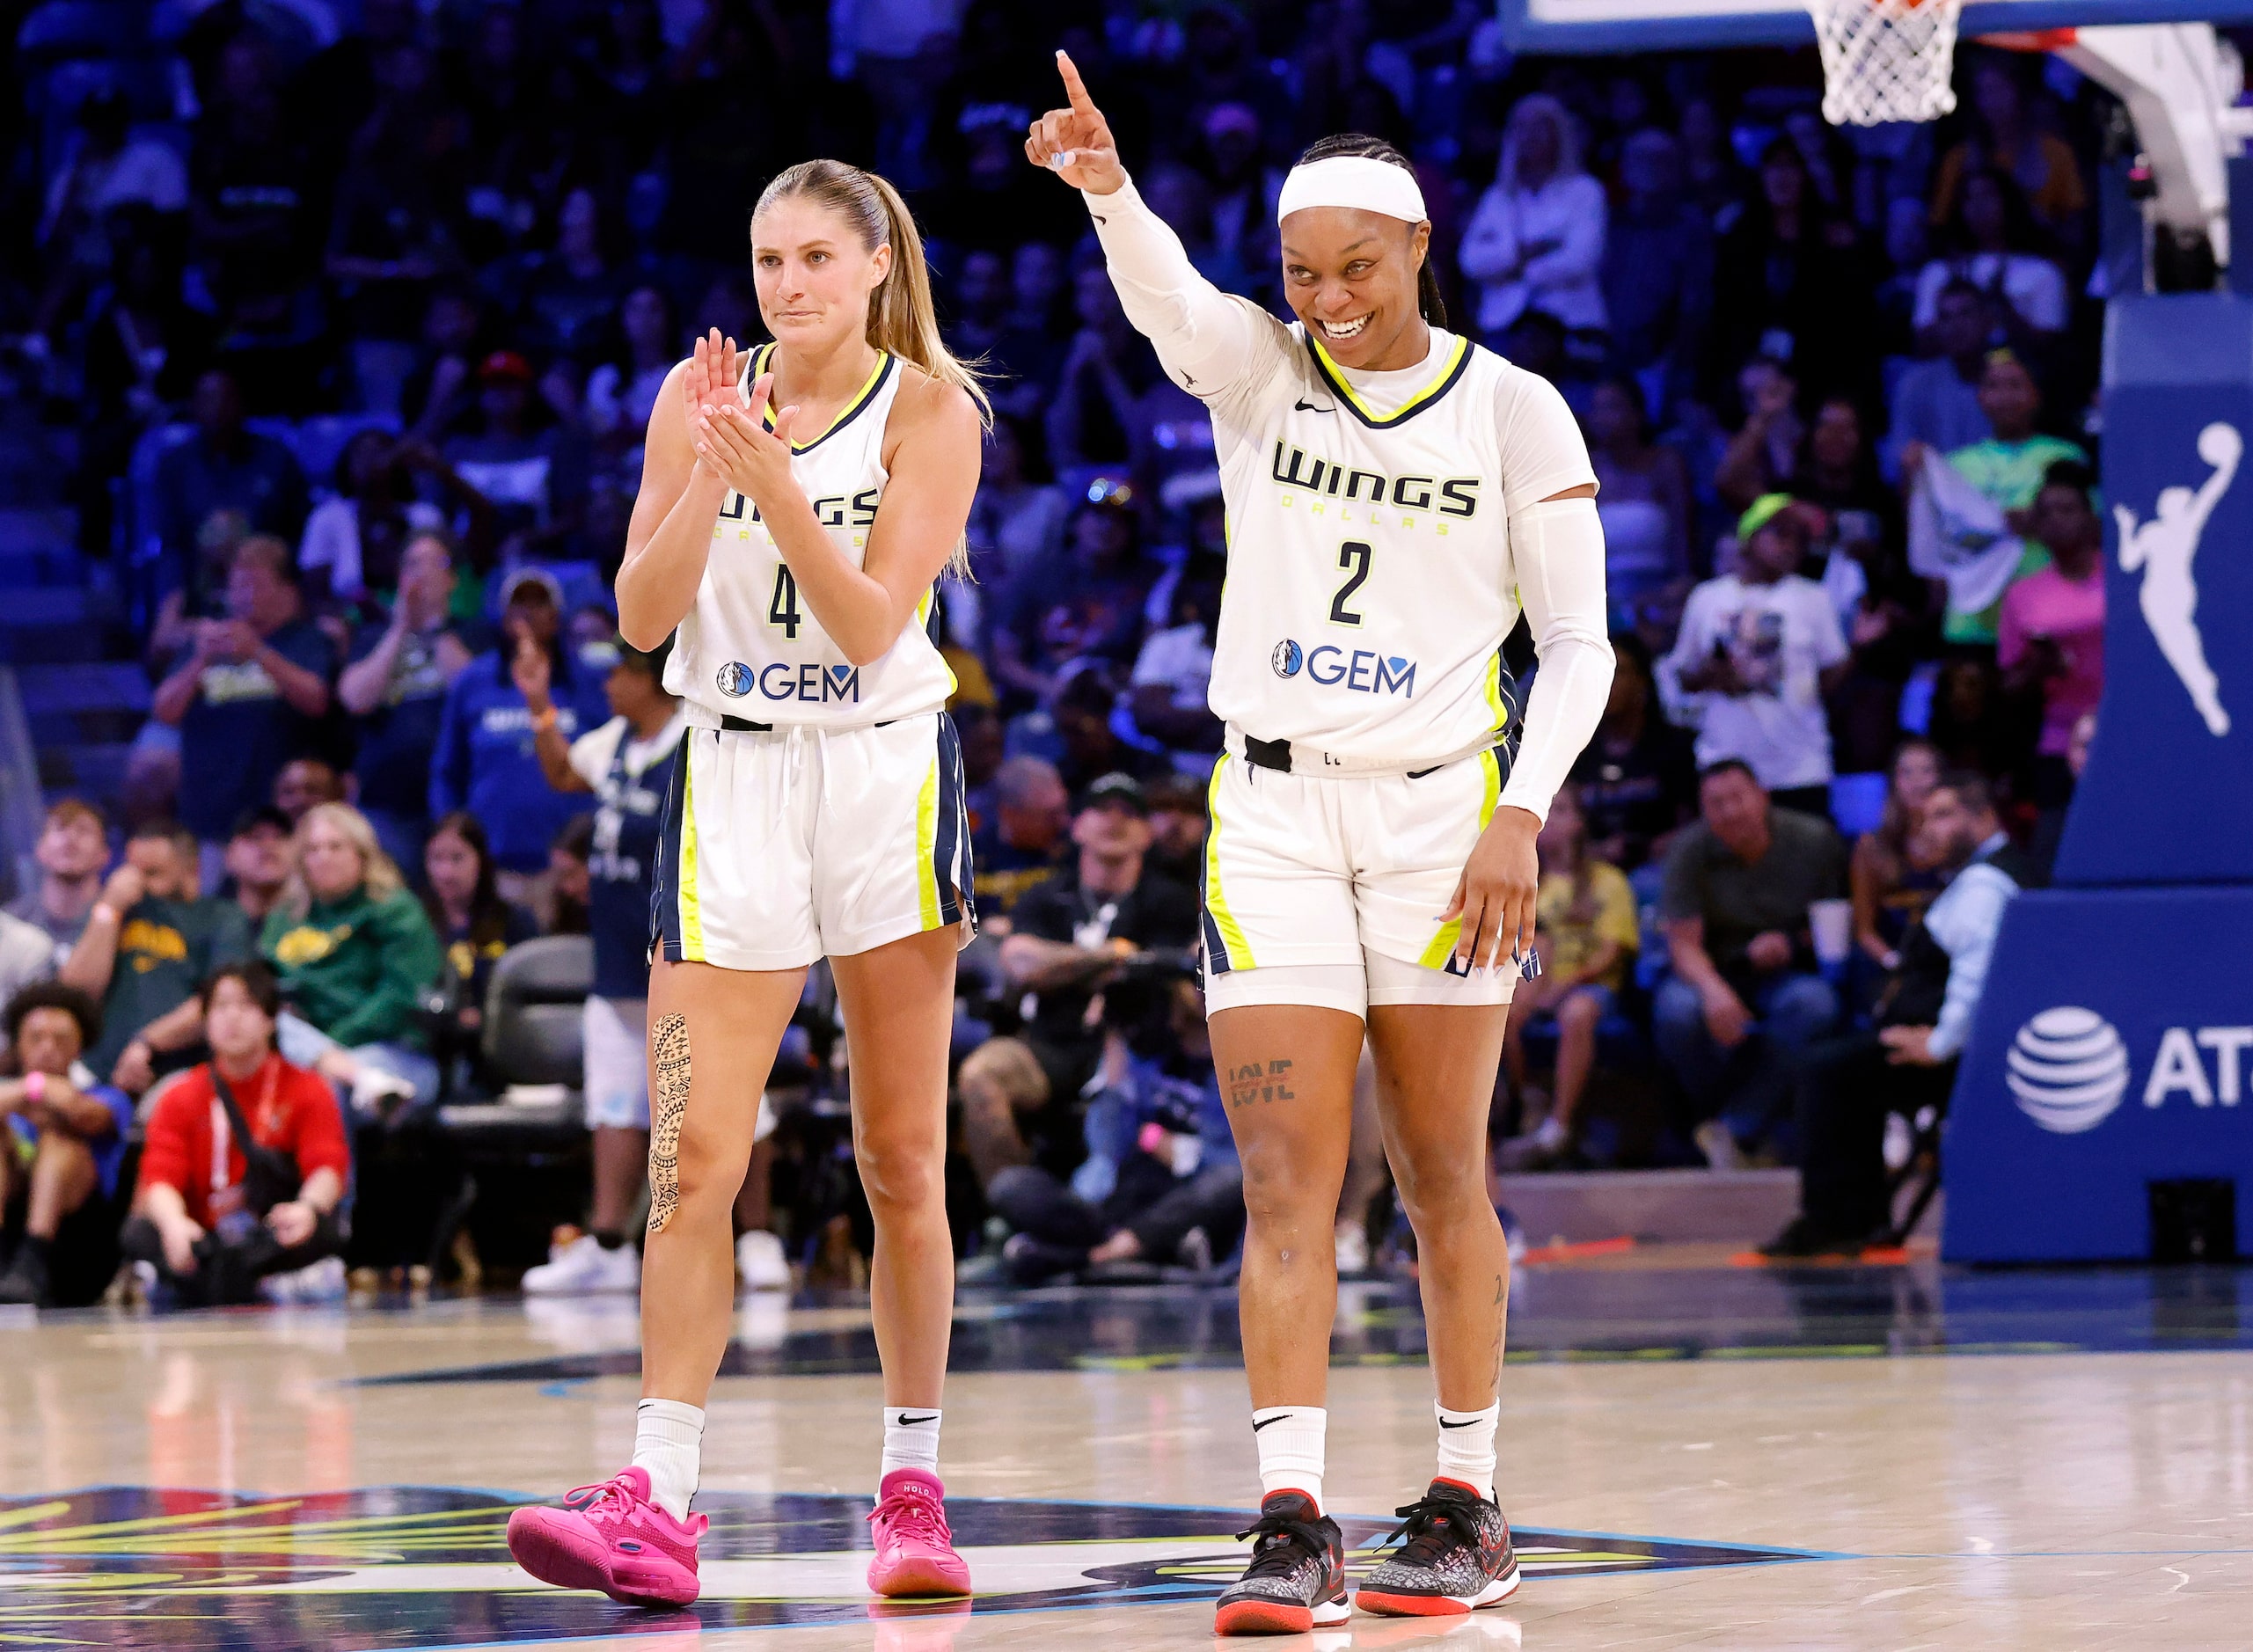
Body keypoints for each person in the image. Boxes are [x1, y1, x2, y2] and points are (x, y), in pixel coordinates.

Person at [1028, 58, 1614, 1630]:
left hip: (1442, 812)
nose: (1330, 296)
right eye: (1303, 270)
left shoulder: (1513, 406)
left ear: (1420, 250)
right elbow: (1168, 303)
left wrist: (1518, 814)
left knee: (1439, 1172)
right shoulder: (1260, 369)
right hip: (1274, 810)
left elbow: (1579, 648)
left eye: (1358, 266)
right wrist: (1107, 190)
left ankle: (1467, 1497)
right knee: (1285, 1183)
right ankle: (1293, 1521)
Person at [505, 157, 987, 1609]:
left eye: (815, 262)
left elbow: (861, 625)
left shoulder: (930, 410)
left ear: (875, 272)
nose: (786, 288)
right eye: (768, 260)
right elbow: (642, 622)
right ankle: (658, 1489)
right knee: (689, 1157)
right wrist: (710, 479)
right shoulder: (691, 394)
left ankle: (912, 1482)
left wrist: (774, 486)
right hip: (734, 779)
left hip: (881, 773)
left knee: (899, 1156)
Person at [514, 639, 714, 1296]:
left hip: (687, 950)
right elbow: (564, 775)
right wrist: (540, 708)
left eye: (617, 673)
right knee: (615, 1107)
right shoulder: (617, 743)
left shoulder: (698, 734)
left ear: (649, 676)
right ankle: (608, 1245)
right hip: (616, 955)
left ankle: (755, 1236)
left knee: (716, 1107)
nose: (605, 686)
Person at [1764, 774, 2032, 1255]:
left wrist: (1940, 1044)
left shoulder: (1986, 883)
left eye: (1944, 815)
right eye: (1923, 818)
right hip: (1945, 1045)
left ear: (1985, 818)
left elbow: (1979, 972)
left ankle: (1834, 1222)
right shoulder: (1976, 878)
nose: (1928, 828)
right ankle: (1857, 1217)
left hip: (1959, 1059)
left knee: (1827, 1070)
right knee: (1840, 1063)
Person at [958, 772, 1199, 1186]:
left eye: (1129, 811)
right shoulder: (1049, 895)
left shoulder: (1170, 901)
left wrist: (1063, 968)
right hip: (1050, 1045)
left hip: (1138, 1053)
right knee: (982, 1075)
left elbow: (1183, 972)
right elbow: (1018, 962)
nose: (1114, 819)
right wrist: (1111, 955)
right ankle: (1017, 1206)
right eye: (1101, 809)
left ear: (1146, 833)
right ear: (1077, 825)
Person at [123, 961, 351, 1306]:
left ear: (271, 1018)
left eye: (246, 1005)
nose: (232, 1017)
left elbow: (328, 1165)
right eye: (220, 1006)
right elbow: (159, 1176)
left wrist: (307, 1208)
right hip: (203, 1236)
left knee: (321, 1231)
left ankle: (228, 1282)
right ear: (205, 1019)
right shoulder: (180, 1094)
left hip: (274, 1232)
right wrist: (173, 1225)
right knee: (140, 1233)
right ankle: (220, 1280)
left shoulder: (308, 1088)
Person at [989, 977, 1243, 1283]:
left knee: (1232, 1179)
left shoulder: (1233, 1062)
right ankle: (1129, 1254)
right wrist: (1113, 1040)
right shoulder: (1143, 1053)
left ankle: (1093, 1258)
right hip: (1118, 1203)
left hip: (1183, 1202)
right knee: (1010, 1185)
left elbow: (1231, 1161)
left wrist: (1179, 1150)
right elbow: (1106, 1151)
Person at [1656, 762, 1846, 1167]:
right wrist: (1715, 992)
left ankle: (1738, 1127)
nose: (1729, 812)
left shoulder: (1814, 840)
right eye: (1715, 803)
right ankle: (1707, 1121)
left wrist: (1791, 944)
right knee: (1677, 1012)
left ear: (1763, 796)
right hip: (1714, 967)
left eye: (1737, 798)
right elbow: (1682, 943)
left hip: (1787, 972)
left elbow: (1834, 923)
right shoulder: (1690, 849)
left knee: (1815, 1004)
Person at [429, 568, 606, 919]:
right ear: (503, 615)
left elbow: (610, 767)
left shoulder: (589, 682)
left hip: (571, 872)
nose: (527, 612)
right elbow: (447, 771)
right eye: (518, 604)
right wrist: (453, 841)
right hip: (493, 869)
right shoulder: (474, 682)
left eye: (538, 603)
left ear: (557, 616)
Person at [151, 536, 339, 864]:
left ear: (287, 591)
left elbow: (317, 700)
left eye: (255, 585)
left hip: (283, 816)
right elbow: (165, 711)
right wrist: (200, 662)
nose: (243, 596)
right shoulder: (206, 645)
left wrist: (259, 652)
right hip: (209, 814)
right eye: (237, 586)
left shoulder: (307, 641)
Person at [1662, 497, 1849, 817]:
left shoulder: (1814, 598)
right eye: (1779, 534)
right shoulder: (1707, 598)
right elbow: (1683, 674)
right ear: (1749, 537)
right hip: (1725, 761)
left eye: (1799, 539)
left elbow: (1833, 670)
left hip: (1799, 766)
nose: (1790, 546)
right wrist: (1713, 675)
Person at [260, 802, 445, 1119]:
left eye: (336, 847)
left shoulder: (394, 910)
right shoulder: (285, 918)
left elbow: (400, 997)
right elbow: (262, 990)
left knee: (321, 1091)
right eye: (313, 849)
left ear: (362, 853)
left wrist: (331, 1045)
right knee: (262, 1018)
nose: (324, 857)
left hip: (392, 1052)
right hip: (301, 1050)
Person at [60, 818, 252, 1097]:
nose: (137, 882)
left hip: (182, 1074)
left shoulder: (222, 917)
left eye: (152, 873)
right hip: (95, 1075)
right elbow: (76, 993)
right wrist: (109, 907)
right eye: (132, 870)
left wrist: (146, 1043)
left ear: (190, 867)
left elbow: (221, 999)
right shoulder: (117, 911)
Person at [1502, 786, 1638, 1168]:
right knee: (1498, 1011)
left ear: (1579, 823)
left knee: (1577, 1012)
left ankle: (1557, 1128)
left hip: (1592, 987)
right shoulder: (1523, 881)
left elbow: (1611, 952)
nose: (1549, 819)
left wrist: (1564, 986)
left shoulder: (1607, 881)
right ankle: (1527, 1102)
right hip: (1536, 984)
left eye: (1560, 810)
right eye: (1545, 810)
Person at [340, 530, 478, 871]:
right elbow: (356, 699)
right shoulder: (372, 637)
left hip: (457, 802)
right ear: (400, 578)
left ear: (452, 579)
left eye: (435, 563)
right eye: (414, 564)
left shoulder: (472, 633)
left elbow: (471, 689)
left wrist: (433, 628)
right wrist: (400, 628)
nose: (424, 572)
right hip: (386, 802)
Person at [1930, 350, 2088, 647]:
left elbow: (2090, 529)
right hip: (1972, 620)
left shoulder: (2065, 456)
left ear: (2036, 395)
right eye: (1993, 386)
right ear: (1980, 397)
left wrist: (2040, 520)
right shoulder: (1953, 466)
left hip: (2047, 613)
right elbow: (1936, 539)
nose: (2004, 396)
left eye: (2015, 386)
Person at [0, 984, 135, 1306]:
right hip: (10, 1234)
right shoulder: (12, 1096)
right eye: (35, 1038)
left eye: (60, 1039)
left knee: (60, 1140)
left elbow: (84, 1115)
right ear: (18, 1045)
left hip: (79, 1245)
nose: (47, 1048)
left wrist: (38, 1089)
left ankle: (33, 1259)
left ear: (80, 1048)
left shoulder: (107, 1097)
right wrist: (33, 1088)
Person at [1458, 95, 1606, 342]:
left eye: (1540, 126)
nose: (1530, 135)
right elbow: (1470, 260)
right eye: (1521, 127)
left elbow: (1580, 259)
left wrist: (1513, 270)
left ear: (1559, 134)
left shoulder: (1585, 191)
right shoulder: (1497, 197)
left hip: (1569, 323)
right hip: (1503, 324)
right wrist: (1523, 254)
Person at [2000, 465, 2105, 809]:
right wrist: (2040, 667)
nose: (2056, 520)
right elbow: (2010, 684)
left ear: (2091, 519)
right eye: (2045, 513)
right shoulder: (2022, 594)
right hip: (2061, 742)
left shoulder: (2127, 576)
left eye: (2067, 510)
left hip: (2132, 731)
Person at [418, 813, 538, 1097]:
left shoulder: (513, 921)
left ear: (481, 860)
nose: (446, 872)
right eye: (437, 859)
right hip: (434, 1050)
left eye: (457, 858)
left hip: (503, 1049)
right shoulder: (415, 922)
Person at [1571, 632, 1697, 872]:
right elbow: (1562, 831)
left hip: (1662, 868)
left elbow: (1694, 824)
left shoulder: (1676, 746)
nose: (1608, 683)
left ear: (1642, 681)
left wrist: (1662, 845)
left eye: (1619, 673)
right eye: (1600, 673)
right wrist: (1598, 851)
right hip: (1592, 874)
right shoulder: (1578, 750)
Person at [1848, 739, 1943, 977]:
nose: (1917, 782)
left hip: (1945, 960)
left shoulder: (1954, 844)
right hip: (1892, 963)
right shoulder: (1871, 846)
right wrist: (1894, 963)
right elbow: (1864, 931)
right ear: (1893, 782)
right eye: (1906, 772)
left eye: (1926, 771)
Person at [970, 756, 1070, 915]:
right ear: (1010, 814)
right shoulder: (970, 856)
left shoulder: (1072, 849)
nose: (1064, 822)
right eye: (1050, 815)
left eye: (1063, 809)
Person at [7, 800, 108, 957]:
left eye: (84, 830)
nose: (70, 838)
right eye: (60, 828)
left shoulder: (118, 922)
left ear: (104, 855)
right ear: (40, 849)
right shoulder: (11, 924)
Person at [221, 807, 293, 931]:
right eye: (256, 837)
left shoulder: (315, 924)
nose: (269, 845)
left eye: (280, 836)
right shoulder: (207, 928)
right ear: (229, 856)